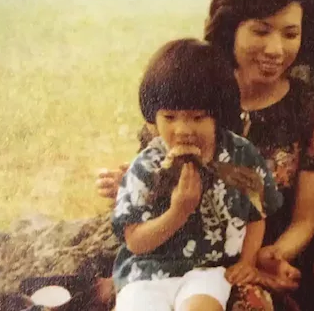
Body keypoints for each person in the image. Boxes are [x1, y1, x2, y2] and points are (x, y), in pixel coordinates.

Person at [98, 0, 314, 310]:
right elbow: (157, 163)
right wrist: (127, 182)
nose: (276, 49)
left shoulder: (311, 111)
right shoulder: (192, 90)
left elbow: (305, 219)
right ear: (232, 29)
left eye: (290, 34)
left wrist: (266, 257)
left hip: (260, 257)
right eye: (261, 31)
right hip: (175, 252)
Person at [112, 38, 282, 311]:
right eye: (169, 117)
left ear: (218, 115)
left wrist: (247, 261)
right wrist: (178, 212)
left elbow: (256, 214)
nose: (183, 130)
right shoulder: (146, 167)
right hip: (145, 273)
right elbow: (135, 242)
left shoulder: (239, 157)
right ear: (152, 120)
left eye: (197, 117)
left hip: (208, 270)